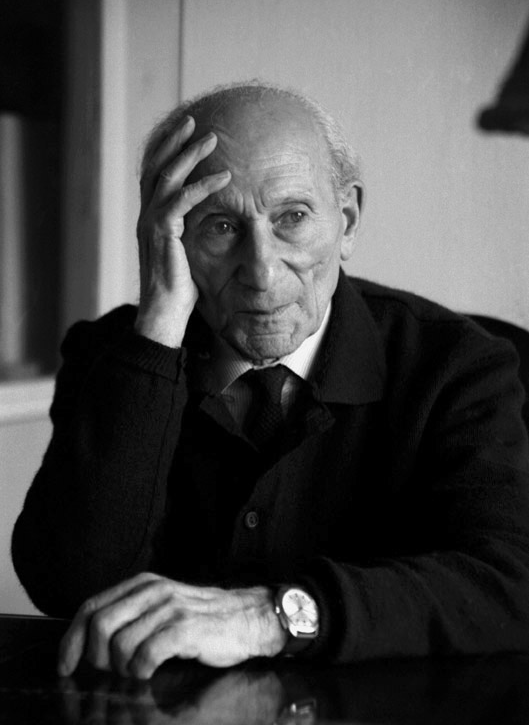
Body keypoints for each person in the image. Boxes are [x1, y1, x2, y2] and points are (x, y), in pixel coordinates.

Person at [12, 81, 529, 680]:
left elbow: (510, 582)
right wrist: (156, 332)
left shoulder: (458, 364)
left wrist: (273, 616)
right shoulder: (111, 355)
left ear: (347, 220)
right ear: (167, 234)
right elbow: (67, 586)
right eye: (219, 227)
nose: (260, 272)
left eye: (292, 218)